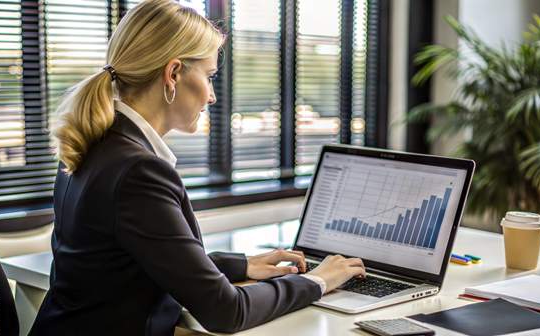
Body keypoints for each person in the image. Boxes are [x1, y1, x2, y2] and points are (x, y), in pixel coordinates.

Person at [29, 1, 366, 335]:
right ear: (173, 73)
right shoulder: (137, 171)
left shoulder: (91, 141)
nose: (212, 96)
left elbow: (141, 260)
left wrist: (243, 265)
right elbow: (226, 311)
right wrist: (317, 280)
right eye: (209, 76)